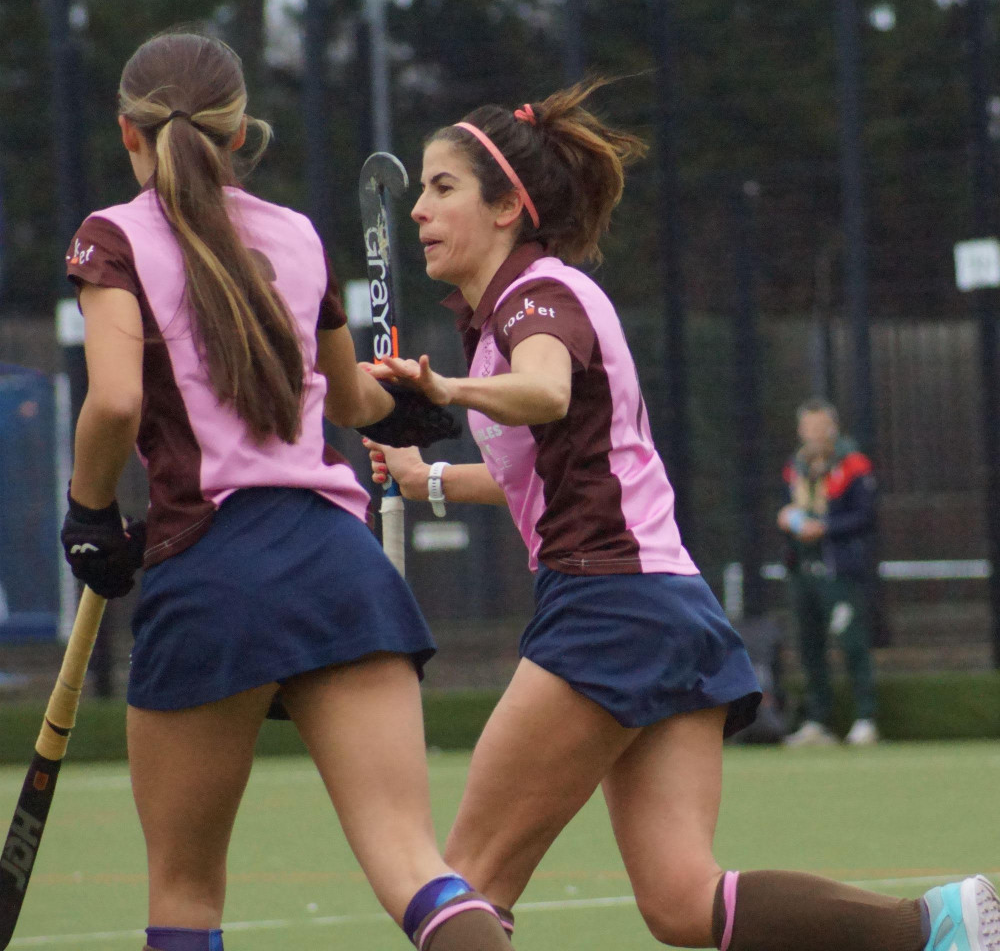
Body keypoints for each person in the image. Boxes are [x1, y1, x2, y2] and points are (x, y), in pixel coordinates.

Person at [363, 81, 1000, 951]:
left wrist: (447, 389)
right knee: (679, 901)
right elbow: (539, 472)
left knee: (463, 886)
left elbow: (545, 393)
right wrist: (424, 474)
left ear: (509, 204)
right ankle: (935, 926)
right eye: (420, 192)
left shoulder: (533, 302)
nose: (421, 212)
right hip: (667, 605)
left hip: (607, 608)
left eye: (442, 188)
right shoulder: (507, 316)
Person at [58, 31, 513, 951]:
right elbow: (353, 402)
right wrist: (412, 404)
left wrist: (90, 513)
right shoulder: (297, 235)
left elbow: (114, 399)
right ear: (237, 136)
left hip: (215, 572)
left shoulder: (113, 238)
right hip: (341, 568)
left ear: (127, 133)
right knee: (418, 869)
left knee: (185, 893)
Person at [778, 398, 880, 747]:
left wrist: (825, 528)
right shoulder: (796, 466)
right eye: (808, 427)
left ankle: (866, 718)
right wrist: (787, 519)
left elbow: (866, 518)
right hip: (801, 569)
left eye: (820, 426)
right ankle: (818, 720)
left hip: (839, 570)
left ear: (832, 427)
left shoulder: (853, 465)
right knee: (809, 646)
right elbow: (790, 508)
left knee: (851, 642)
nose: (814, 433)